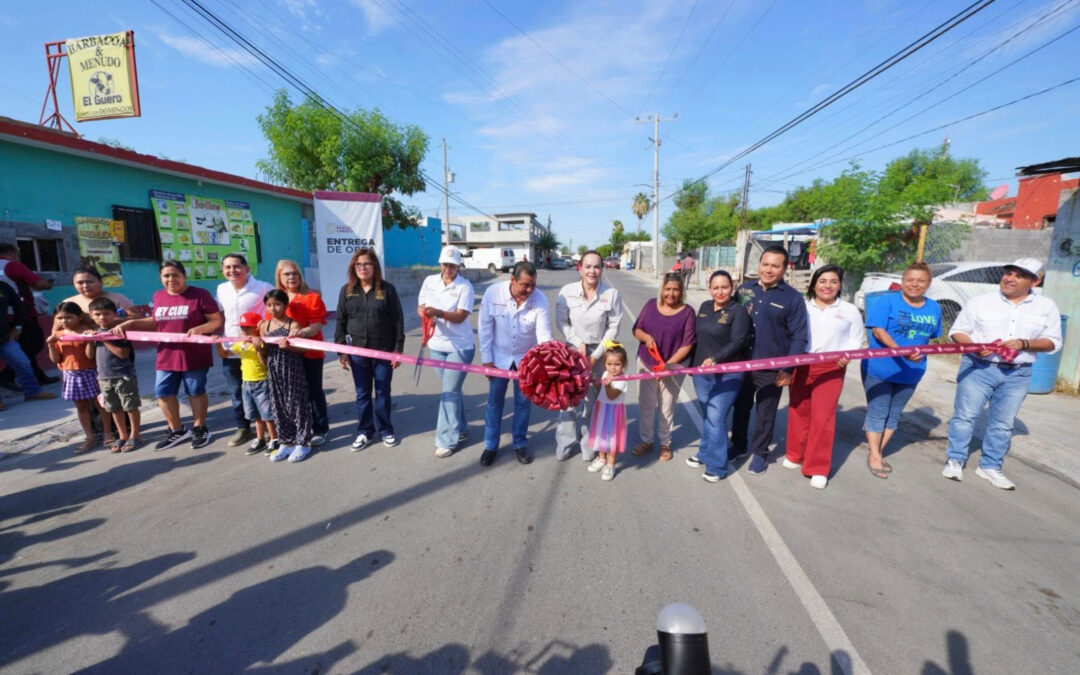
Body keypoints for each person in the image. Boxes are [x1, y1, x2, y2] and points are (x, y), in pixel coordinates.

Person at [942, 258, 1062, 490]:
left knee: (1003, 424)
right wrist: (975, 346)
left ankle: (990, 466)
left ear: (1035, 281)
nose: (1009, 278)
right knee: (965, 416)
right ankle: (955, 460)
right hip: (978, 368)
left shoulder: (1046, 307)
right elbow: (958, 332)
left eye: (1019, 275)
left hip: (1018, 373)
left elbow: (1053, 342)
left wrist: (1024, 343)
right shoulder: (981, 301)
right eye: (1009, 273)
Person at [113, 260, 222, 450]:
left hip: (194, 354)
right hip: (166, 354)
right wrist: (129, 323)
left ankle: (199, 427)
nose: (171, 279)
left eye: (175, 275)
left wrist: (199, 329)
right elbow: (156, 321)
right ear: (161, 278)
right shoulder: (159, 296)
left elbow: (215, 321)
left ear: (184, 276)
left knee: (195, 391)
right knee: (163, 392)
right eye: (166, 276)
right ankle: (177, 430)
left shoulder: (200, 295)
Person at [782, 265, 865, 489]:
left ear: (840, 285)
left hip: (831, 367)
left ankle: (817, 467)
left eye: (833, 282)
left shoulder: (849, 310)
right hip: (802, 362)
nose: (827, 286)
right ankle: (794, 454)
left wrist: (847, 355)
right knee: (799, 410)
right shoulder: (802, 306)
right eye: (822, 281)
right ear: (814, 284)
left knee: (823, 417)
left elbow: (856, 339)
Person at [731, 246, 809, 475]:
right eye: (765, 264)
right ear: (759, 265)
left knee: (766, 413)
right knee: (741, 408)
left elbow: (799, 337)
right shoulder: (745, 290)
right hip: (742, 364)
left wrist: (787, 369)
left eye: (775, 266)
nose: (768, 269)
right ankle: (738, 445)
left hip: (772, 369)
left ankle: (761, 453)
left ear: (784, 269)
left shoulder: (793, 299)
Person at [861, 262, 942, 478]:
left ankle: (877, 451)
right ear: (902, 281)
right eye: (909, 280)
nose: (914, 284)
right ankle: (875, 457)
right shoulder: (887, 301)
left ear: (928, 283)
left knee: (894, 414)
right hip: (881, 367)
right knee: (878, 411)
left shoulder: (934, 307)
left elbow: (931, 336)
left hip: (913, 369)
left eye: (920, 280)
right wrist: (899, 350)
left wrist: (916, 352)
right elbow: (878, 331)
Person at [478, 260, 552, 467]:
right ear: (512, 280)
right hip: (498, 357)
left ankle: (519, 443)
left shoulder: (540, 300)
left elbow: (544, 335)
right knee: (494, 402)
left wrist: (544, 364)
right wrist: (487, 360)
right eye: (525, 285)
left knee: (523, 403)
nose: (530, 290)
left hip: (526, 359)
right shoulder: (493, 293)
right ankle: (491, 445)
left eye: (533, 285)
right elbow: (485, 328)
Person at [554, 250, 623, 461]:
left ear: (601, 269)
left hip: (599, 352)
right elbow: (562, 322)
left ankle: (588, 445)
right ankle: (565, 444)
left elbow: (614, 327)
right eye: (588, 266)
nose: (592, 271)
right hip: (573, 351)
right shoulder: (566, 292)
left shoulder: (611, 294)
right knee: (569, 399)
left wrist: (597, 354)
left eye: (596, 267)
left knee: (592, 400)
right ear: (580, 268)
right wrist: (577, 342)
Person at [335, 248, 405, 452]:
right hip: (358, 353)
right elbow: (341, 321)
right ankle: (364, 431)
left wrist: (397, 349)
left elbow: (398, 321)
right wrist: (342, 350)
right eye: (359, 264)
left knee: (383, 392)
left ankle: (385, 430)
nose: (363, 268)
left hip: (383, 351)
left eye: (367, 264)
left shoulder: (387, 289)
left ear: (374, 266)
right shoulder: (347, 291)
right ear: (353, 268)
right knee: (362, 393)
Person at [687, 271, 750, 482]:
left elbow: (738, 342)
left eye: (724, 287)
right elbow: (695, 338)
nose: (720, 292)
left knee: (716, 418)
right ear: (709, 288)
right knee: (708, 415)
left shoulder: (739, 311)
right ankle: (704, 453)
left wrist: (715, 359)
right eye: (715, 287)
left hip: (728, 374)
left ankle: (718, 466)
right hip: (702, 373)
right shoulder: (705, 307)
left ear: (732, 288)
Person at [417, 246, 477, 458]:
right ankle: (461, 428)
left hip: (460, 347)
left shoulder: (465, 287)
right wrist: (425, 313)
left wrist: (439, 313)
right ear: (440, 264)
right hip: (436, 346)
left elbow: (460, 316)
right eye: (445, 264)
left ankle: (446, 440)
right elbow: (421, 305)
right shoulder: (430, 281)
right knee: (452, 391)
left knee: (448, 392)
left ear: (459, 265)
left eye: (453, 265)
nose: (448, 268)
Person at [631, 272, 696, 462]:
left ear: (682, 291)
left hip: (673, 366)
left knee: (666, 406)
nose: (671, 294)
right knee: (646, 403)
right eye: (668, 289)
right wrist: (646, 338)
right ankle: (646, 440)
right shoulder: (651, 305)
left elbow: (688, 344)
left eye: (676, 290)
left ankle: (665, 443)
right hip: (646, 362)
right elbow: (637, 329)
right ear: (662, 289)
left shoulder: (687, 312)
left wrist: (668, 366)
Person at [216, 254, 274, 449]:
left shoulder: (264, 288)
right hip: (231, 350)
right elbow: (220, 317)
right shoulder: (221, 289)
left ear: (247, 269)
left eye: (236, 266)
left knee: (262, 392)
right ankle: (243, 427)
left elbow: (275, 311)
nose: (232, 271)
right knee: (236, 393)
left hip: (256, 351)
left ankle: (268, 427)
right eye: (227, 267)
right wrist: (220, 346)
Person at [45, 302, 113, 454]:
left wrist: (89, 341)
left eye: (69, 317)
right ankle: (90, 437)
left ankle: (108, 433)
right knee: (81, 408)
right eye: (60, 318)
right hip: (70, 374)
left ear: (80, 316)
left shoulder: (87, 332)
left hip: (91, 372)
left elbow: (90, 356)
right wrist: (50, 345)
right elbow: (55, 360)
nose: (64, 321)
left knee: (101, 405)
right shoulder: (58, 335)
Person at [274, 260, 329, 446]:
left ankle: (320, 429)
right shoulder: (276, 299)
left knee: (314, 392)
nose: (291, 277)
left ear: (300, 276)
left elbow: (317, 325)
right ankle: (298, 428)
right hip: (286, 356)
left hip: (310, 353)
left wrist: (302, 333)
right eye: (286, 274)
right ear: (279, 277)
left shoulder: (312, 297)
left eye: (294, 273)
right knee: (292, 394)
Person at [261, 289, 313, 463]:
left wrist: (289, 346)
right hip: (273, 368)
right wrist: (257, 346)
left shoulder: (294, 325)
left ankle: (303, 442)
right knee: (278, 404)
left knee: (296, 404)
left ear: (285, 305)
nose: (273, 308)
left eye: (277, 304)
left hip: (292, 368)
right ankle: (286, 441)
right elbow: (263, 351)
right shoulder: (264, 326)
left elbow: (305, 349)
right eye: (269, 305)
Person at [216, 311, 278, 456]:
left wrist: (258, 348)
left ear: (257, 327)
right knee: (255, 414)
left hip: (261, 382)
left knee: (267, 414)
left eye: (247, 327)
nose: (244, 331)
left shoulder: (262, 343)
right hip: (246, 383)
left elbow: (265, 362)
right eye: (242, 328)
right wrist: (218, 342)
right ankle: (260, 438)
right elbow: (224, 354)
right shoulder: (241, 344)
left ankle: (275, 439)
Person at [0, 242, 58, 386]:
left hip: (4, 314)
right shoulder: (12, 265)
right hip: (20, 312)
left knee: (22, 345)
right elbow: (39, 284)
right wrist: (49, 284)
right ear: (11, 253)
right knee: (34, 344)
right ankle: (6, 375)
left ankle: (37, 377)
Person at [89, 297, 142, 452]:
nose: (102, 317)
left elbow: (123, 353)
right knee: (114, 409)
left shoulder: (119, 332)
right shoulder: (94, 333)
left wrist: (103, 339)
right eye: (97, 314)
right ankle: (123, 436)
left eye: (106, 314)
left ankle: (135, 435)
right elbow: (90, 356)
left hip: (123, 376)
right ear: (91, 315)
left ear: (114, 315)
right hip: (104, 378)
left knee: (130, 407)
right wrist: (89, 340)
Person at [0, 279, 55, 408]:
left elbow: (19, 306)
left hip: (5, 337)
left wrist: (17, 326)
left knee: (23, 363)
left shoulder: (3, 287)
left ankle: (32, 392)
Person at [586, 343, 629, 481]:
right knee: (601, 435)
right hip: (602, 408)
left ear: (623, 364)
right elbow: (602, 390)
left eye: (617, 364)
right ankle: (602, 459)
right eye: (609, 364)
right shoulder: (606, 373)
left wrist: (608, 385)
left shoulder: (622, 380)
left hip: (614, 412)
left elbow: (611, 395)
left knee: (612, 438)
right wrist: (597, 381)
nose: (613, 367)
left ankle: (611, 464)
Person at [63, 267, 135, 315]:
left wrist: (112, 321)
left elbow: (137, 318)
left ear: (101, 282)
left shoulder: (118, 299)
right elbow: (57, 329)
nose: (85, 286)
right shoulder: (68, 303)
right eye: (80, 283)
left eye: (90, 282)